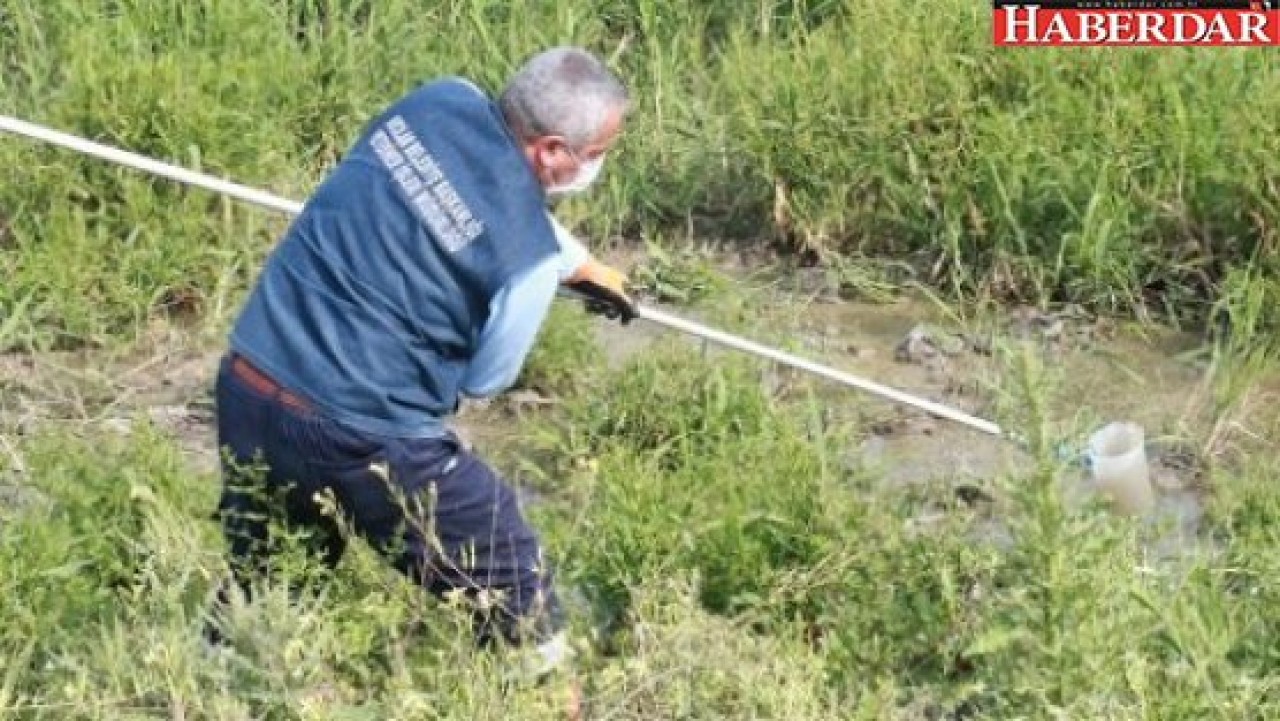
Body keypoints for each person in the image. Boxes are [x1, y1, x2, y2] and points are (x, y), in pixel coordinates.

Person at [205, 46, 636, 705]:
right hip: (356, 428)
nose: (599, 162)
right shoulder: (524, 261)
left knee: (272, 575)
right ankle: (547, 706)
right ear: (553, 151)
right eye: (599, 149)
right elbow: (486, 379)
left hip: (247, 381)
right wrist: (538, 270)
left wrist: (573, 262)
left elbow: (449, 186)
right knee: (510, 568)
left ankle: (199, 691)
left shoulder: (439, 98)